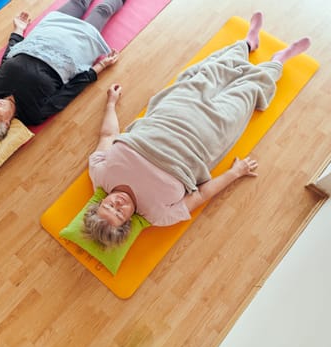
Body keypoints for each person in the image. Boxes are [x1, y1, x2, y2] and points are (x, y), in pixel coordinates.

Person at [84, 12, 311, 248]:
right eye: (119, 213)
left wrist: (111, 103)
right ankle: (278, 61)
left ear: (99, 203)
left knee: (209, 74)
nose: (117, 204)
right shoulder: (158, 216)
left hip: (171, 114)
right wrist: (236, 173)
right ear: (128, 222)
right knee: (246, 93)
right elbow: (200, 196)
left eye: (108, 206)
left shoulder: (100, 175)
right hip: (207, 137)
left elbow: (108, 135)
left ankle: (247, 44)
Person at [0, 0, 126, 145]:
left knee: (77, 2)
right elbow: (70, 91)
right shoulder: (33, 115)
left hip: (44, 37)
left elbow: (7, 60)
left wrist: (18, 31)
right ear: (6, 123)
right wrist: (102, 65)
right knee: (103, 10)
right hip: (72, 48)